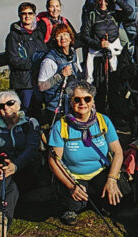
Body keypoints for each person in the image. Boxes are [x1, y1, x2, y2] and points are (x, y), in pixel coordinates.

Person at [47, 81, 126, 224]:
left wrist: (112, 179)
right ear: (71, 102)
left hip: (100, 171)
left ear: (93, 101)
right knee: (75, 205)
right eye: (77, 99)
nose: (82, 103)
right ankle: (70, 201)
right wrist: (71, 186)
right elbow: (54, 161)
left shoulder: (103, 121)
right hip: (73, 175)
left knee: (117, 199)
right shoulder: (61, 126)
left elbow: (118, 152)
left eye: (87, 99)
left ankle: (95, 195)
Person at [0, 90, 41, 237]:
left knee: (8, 180)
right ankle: (2, 221)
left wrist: (16, 165)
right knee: (10, 185)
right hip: (7, 171)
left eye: (10, 103)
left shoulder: (30, 123)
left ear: (18, 104)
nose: (6, 108)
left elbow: (31, 149)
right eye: (0, 106)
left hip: (27, 168)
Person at [79, 0, 126, 117]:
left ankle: (115, 117)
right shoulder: (91, 15)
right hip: (97, 58)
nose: (103, 3)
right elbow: (84, 36)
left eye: (106, 0)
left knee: (114, 86)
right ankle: (98, 114)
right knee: (99, 87)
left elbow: (129, 11)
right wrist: (98, 44)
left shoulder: (114, 14)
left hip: (114, 55)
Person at [37, 23, 86, 121]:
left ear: (71, 37)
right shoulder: (49, 60)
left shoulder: (73, 54)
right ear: (54, 39)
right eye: (59, 35)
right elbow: (41, 86)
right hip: (57, 108)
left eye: (65, 34)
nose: (63, 38)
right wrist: (61, 75)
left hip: (72, 105)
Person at [5, 2, 45, 117]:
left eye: (30, 13)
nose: (27, 16)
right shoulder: (13, 36)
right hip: (23, 82)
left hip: (38, 80)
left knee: (38, 112)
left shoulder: (38, 33)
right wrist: (35, 64)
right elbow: (13, 59)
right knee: (24, 113)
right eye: (23, 13)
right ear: (19, 15)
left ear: (34, 15)